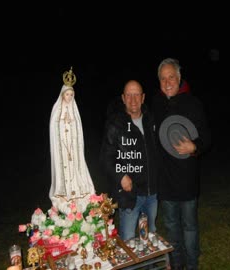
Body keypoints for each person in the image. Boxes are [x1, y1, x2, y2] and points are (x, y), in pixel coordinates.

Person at [152, 58, 211, 270]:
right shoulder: (155, 104)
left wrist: (194, 147)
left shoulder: (193, 104)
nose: (167, 82)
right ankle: (176, 265)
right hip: (166, 182)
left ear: (179, 78)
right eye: (163, 78)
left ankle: (192, 264)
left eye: (171, 77)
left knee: (190, 228)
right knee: (171, 227)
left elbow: (206, 139)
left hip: (187, 180)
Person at [100, 80, 159, 241]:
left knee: (150, 239)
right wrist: (121, 176)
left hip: (152, 193)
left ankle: (151, 267)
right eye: (129, 95)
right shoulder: (115, 123)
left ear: (143, 97)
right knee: (128, 241)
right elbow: (106, 158)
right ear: (123, 98)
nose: (133, 99)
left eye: (137, 94)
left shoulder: (151, 120)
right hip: (130, 196)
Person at [49, 67, 96, 215]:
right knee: (64, 172)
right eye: (67, 94)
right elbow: (54, 127)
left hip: (73, 152)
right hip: (62, 151)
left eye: (71, 94)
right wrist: (63, 121)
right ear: (62, 95)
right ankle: (65, 199)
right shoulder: (57, 111)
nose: (69, 97)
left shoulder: (75, 112)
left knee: (75, 172)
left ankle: (77, 200)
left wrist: (71, 122)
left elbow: (78, 132)